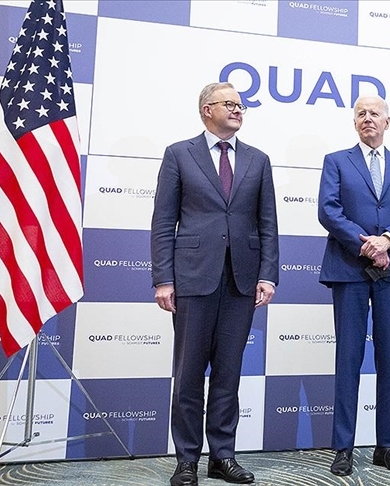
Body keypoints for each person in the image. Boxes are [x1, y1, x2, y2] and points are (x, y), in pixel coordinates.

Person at [151, 82, 279, 486]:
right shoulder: (179, 154)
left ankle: (223, 456)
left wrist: (268, 274)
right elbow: (163, 221)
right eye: (230, 104)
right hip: (192, 278)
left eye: (241, 106)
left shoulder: (258, 160)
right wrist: (163, 279)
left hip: (241, 280)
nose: (239, 110)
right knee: (188, 375)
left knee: (228, 374)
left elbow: (268, 224)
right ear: (207, 109)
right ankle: (187, 459)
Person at [317, 95, 390, 477]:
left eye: (374, 113)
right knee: (348, 359)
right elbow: (328, 210)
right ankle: (343, 448)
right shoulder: (336, 161)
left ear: (387, 122)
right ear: (354, 122)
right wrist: (366, 244)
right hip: (349, 267)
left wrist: (387, 241)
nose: (368, 118)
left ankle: (387, 446)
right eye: (361, 113)